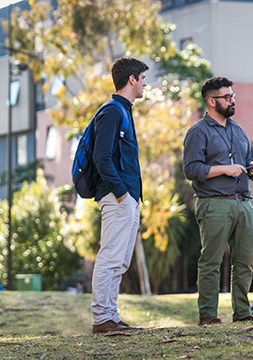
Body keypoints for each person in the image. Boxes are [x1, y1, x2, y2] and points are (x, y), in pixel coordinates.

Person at [183, 77, 253, 325]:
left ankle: (242, 314)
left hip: (244, 202)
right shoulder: (198, 132)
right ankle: (208, 315)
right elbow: (191, 169)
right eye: (227, 97)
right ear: (211, 101)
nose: (232, 100)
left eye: (233, 96)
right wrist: (224, 169)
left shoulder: (238, 130)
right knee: (211, 261)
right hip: (214, 203)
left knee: (245, 262)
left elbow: (248, 160)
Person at [90, 57, 148, 334]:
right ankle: (102, 319)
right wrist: (123, 194)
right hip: (117, 198)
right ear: (132, 79)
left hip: (128, 198)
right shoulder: (112, 111)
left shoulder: (124, 110)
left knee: (121, 260)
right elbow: (101, 158)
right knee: (110, 257)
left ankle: (111, 316)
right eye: (143, 78)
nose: (146, 84)